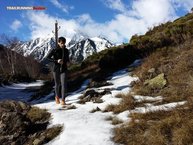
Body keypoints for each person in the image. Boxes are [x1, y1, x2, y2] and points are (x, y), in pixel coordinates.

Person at [47, 37, 70, 105]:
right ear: (58, 43)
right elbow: (47, 58)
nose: (63, 44)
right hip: (56, 69)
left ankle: (63, 100)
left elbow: (67, 59)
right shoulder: (54, 50)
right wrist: (56, 61)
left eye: (64, 43)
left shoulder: (66, 50)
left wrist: (68, 62)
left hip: (64, 69)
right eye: (61, 43)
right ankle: (57, 97)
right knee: (57, 84)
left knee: (64, 84)